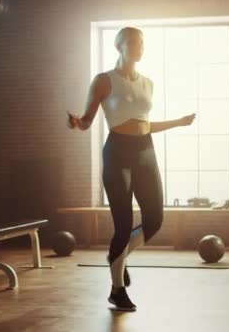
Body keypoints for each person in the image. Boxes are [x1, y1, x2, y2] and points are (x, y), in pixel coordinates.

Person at [67, 27, 195, 311]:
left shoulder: (148, 83)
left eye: (142, 43)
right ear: (120, 46)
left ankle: (118, 257)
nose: (140, 47)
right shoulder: (103, 80)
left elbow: (146, 124)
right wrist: (77, 122)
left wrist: (178, 122)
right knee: (123, 226)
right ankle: (117, 289)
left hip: (145, 151)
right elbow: (88, 121)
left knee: (155, 220)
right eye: (134, 42)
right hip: (118, 152)